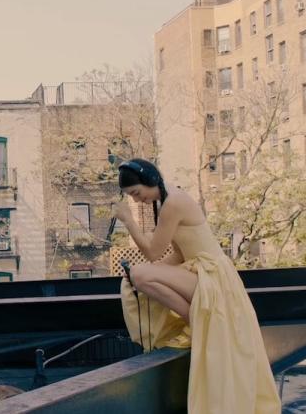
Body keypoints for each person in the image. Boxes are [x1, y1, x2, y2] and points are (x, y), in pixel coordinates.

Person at [113, 158, 281, 413]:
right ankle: (196, 321)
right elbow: (178, 254)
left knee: (140, 273)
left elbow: (152, 252)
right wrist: (150, 273)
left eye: (136, 193)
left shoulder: (173, 203)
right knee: (138, 276)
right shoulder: (169, 200)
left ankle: (196, 322)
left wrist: (129, 221)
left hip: (212, 277)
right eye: (131, 197)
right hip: (204, 272)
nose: (137, 200)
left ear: (149, 180)